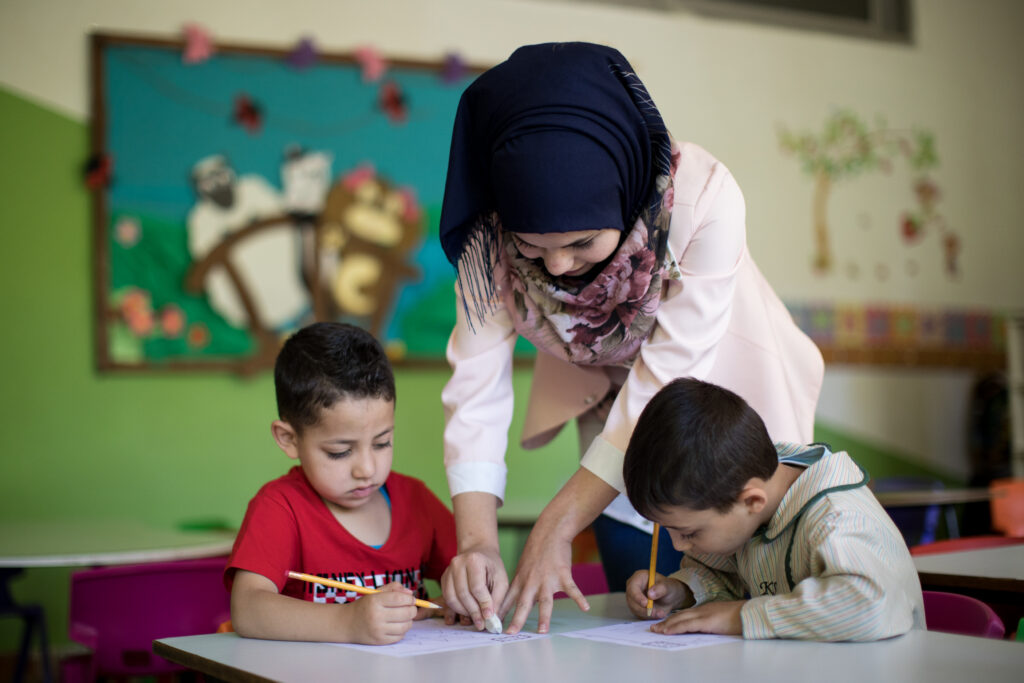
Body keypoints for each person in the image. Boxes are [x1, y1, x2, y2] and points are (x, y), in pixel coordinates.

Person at [437, 42, 825, 635]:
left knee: (747, 612)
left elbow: (666, 378)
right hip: (613, 446)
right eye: (532, 247)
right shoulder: (489, 240)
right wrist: (477, 543)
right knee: (645, 620)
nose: (558, 267)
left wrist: (558, 522)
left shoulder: (699, 199)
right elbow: (475, 387)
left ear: (625, 193)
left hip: (730, 417)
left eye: (582, 242)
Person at [622, 378, 924, 641]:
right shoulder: (741, 491)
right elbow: (723, 575)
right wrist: (681, 591)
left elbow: (868, 607)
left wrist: (739, 616)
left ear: (752, 502)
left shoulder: (837, 518)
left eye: (689, 533)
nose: (678, 545)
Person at [225, 322, 457, 644]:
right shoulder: (280, 508)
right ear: (289, 439)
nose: (367, 469)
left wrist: (465, 597)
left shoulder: (415, 499)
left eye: (382, 443)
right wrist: (348, 622)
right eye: (340, 452)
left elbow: (467, 568)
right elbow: (248, 610)